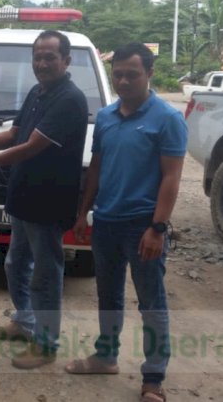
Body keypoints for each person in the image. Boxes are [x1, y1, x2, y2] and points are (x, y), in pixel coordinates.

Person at [0, 30, 88, 369]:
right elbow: (15, 134)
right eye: (37, 57)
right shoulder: (38, 92)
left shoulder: (69, 99)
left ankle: (46, 343)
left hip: (48, 202)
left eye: (49, 57)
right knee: (16, 265)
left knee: (46, 274)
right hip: (23, 197)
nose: (41, 63)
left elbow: (30, 147)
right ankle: (25, 322)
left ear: (66, 60)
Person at [64, 42, 187, 402]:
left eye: (132, 74)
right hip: (106, 221)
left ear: (149, 73)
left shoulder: (167, 119)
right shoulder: (105, 117)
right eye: (117, 74)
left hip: (143, 225)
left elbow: (172, 178)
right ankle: (106, 357)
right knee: (108, 295)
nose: (123, 81)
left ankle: (154, 378)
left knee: (151, 301)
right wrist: (83, 212)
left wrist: (158, 228)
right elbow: (97, 167)